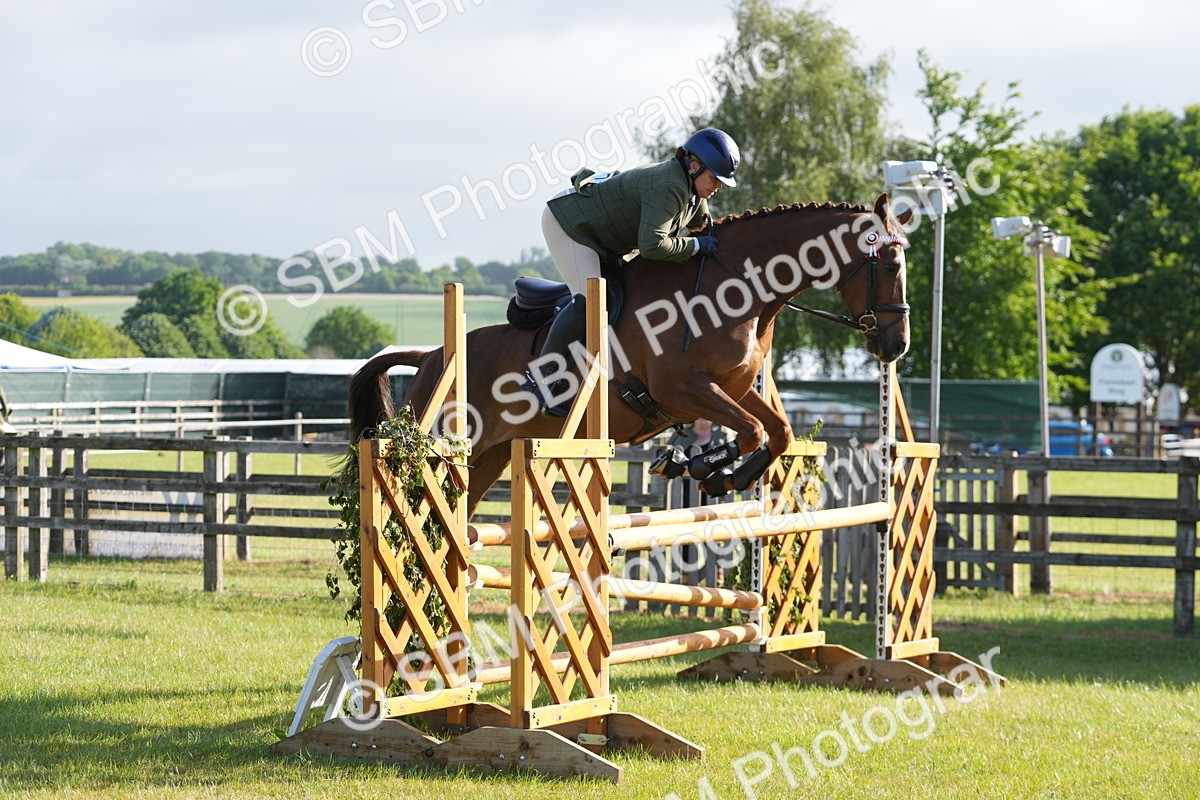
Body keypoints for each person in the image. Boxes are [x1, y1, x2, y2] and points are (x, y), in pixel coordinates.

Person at [524, 127, 742, 416]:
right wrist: (697, 247)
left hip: (603, 238)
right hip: (572, 226)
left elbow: (707, 231)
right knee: (591, 302)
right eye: (715, 178)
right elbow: (652, 247)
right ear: (694, 166)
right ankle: (540, 380)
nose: (718, 187)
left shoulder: (694, 193)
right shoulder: (670, 185)